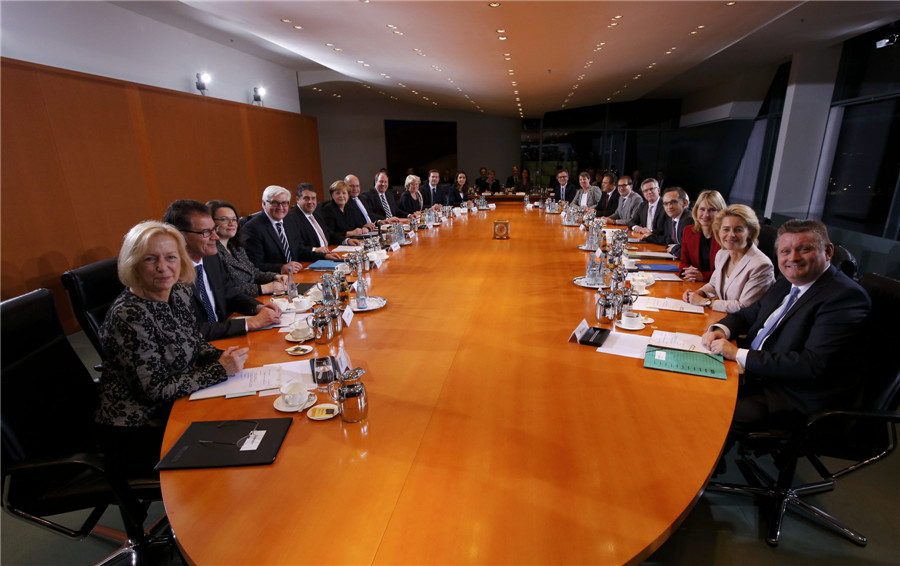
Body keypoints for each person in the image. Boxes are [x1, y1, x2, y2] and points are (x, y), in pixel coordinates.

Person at [95, 221, 248, 476]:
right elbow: (154, 390)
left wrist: (224, 357)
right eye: (150, 259)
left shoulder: (177, 292)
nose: (163, 267)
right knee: (239, 452)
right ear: (132, 264)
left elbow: (194, 340)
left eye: (170, 257)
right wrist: (219, 371)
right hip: (142, 428)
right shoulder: (129, 316)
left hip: (178, 406)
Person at [702, 219, 871, 431]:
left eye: (804, 249)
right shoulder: (788, 280)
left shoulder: (845, 297)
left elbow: (809, 365)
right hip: (759, 372)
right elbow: (750, 313)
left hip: (792, 395)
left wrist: (737, 354)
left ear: (828, 252)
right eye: (785, 251)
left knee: (706, 409)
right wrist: (720, 330)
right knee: (687, 387)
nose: (793, 258)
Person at [164, 199, 281, 341]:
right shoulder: (167, 275)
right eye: (206, 232)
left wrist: (258, 307)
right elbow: (189, 330)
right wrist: (249, 323)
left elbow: (229, 291)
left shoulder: (210, 258)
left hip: (226, 339)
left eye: (214, 229)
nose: (216, 237)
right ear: (180, 236)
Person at [683, 204, 775, 312]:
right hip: (723, 317)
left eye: (738, 230)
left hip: (743, 324)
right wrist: (699, 293)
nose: (731, 235)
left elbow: (744, 307)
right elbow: (713, 284)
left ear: (750, 233)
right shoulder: (722, 254)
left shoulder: (761, 265)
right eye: (726, 229)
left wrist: (705, 302)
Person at [208, 200, 287, 297]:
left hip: (254, 299)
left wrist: (275, 276)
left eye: (234, 219)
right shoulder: (211, 253)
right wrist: (265, 288)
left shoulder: (236, 246)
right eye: (224, 219)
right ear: (211, 222)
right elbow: (225, 290)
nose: (231, 223)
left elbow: (252, 271)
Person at [242, 185, 320, 273]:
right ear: (264, 203)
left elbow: (299, 249)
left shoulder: (289, 220)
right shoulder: (252, 228)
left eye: (284, 203)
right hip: (273, 280)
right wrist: (281, 268)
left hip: (296, 275)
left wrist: (323, 256)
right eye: (275, 203)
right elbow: (254, 264)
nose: (280, 207)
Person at [287, 183, 353, 255]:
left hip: (329, 252)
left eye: (313, 198)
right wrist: (316, 249)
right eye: (306, 198)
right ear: (297, 199)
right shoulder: (292, 218)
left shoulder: (316, 212)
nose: (310, 202)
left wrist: (346, 240)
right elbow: (297, 247)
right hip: (312, 259)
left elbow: (328, 233)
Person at [679, 190, 727, 282]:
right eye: (702, 209)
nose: (706, 214)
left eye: (712, 210)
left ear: (721, 212)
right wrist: (689, 273)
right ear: (696, 210)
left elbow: (727, 272)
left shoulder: (726, 236)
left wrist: (703, 276)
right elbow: (684, 262)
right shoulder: (689, 231)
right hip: (693, 283)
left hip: (718, 288)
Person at [660, 186, 692, 258]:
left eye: (673, 202)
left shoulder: (689, 221)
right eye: (666, 204)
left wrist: (674, 248)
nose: (669, 207)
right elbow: (668, 242)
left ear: (684, 203)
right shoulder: (671, 218)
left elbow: (689, 252)